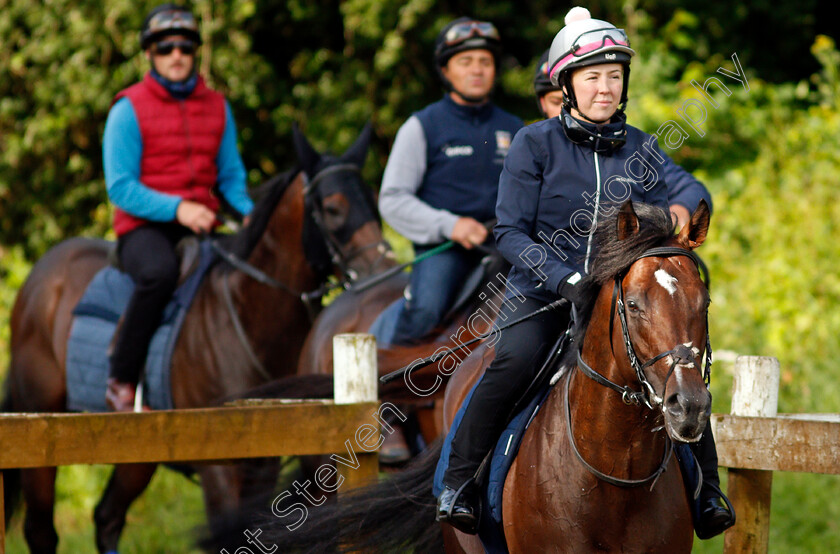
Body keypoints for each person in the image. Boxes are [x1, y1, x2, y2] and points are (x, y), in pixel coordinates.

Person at [437, 7, 733, 539]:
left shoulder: (643, 146)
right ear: (567, 86)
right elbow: (509, 233)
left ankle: (706, 490)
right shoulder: (533, 143)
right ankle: (455, 483)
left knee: (681, 363)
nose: (605, 88)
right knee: (513, 359)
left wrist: (682, 217)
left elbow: (677, 205)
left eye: (614, 76)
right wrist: (566, 281)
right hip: (545, 292)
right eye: (593, 77)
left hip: (624, 295)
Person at [102, 3, 253, 411]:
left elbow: (231, 177)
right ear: (149, 54)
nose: (176, 56)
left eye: (185, 47)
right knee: (159, 273)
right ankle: (122, 377)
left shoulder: (218, 106)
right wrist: (179, 209)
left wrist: (250, 213)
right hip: (144, 227)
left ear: (195, 53)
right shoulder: (127, 109)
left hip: (202, 222)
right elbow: (119, 187)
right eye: (165, 48)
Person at [376, 17, 523, 346]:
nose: (477, 70)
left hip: (506, 245)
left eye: (485, 62)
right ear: (446, 71)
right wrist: (450, 225)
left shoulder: (515, 129)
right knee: (426, 312)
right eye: (465, 62)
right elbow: (393, 199)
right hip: (447, 248)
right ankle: (396, 386)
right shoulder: (421, 126)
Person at [533, 48, 713, 227]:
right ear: (542, 103)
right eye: (557, 102)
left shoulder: (636, 149)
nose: (567, 110)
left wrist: (671, 220)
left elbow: (691, 189)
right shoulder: (532, 149)